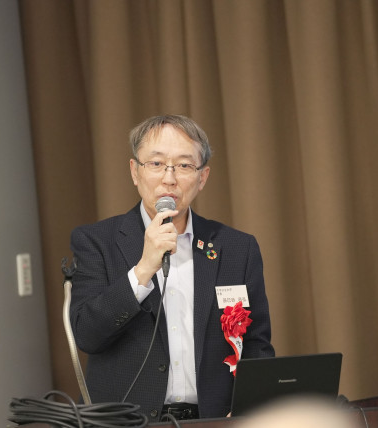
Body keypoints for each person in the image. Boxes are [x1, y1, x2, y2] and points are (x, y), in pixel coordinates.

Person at [69, 114, 274, 422]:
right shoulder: (96, 241)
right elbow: (87, 335)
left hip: (214, 420)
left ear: (202, 178)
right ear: (135, 172)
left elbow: (256, 343)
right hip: (127, 421)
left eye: (184, 165)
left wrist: (249, 404)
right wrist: (143, 270)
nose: (169, 178)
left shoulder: (236, 248)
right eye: (156, 163)